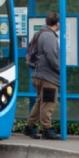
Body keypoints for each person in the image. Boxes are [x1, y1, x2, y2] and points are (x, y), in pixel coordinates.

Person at [23, 12, 62, 140]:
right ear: (57, 23)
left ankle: (30, 126)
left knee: (41, 102)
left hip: (38, 75)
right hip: (48, 77)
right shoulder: (49, 36)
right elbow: (52, 57)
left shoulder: (40, 33)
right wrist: (61, 69)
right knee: (48, 103)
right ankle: (47, 129)